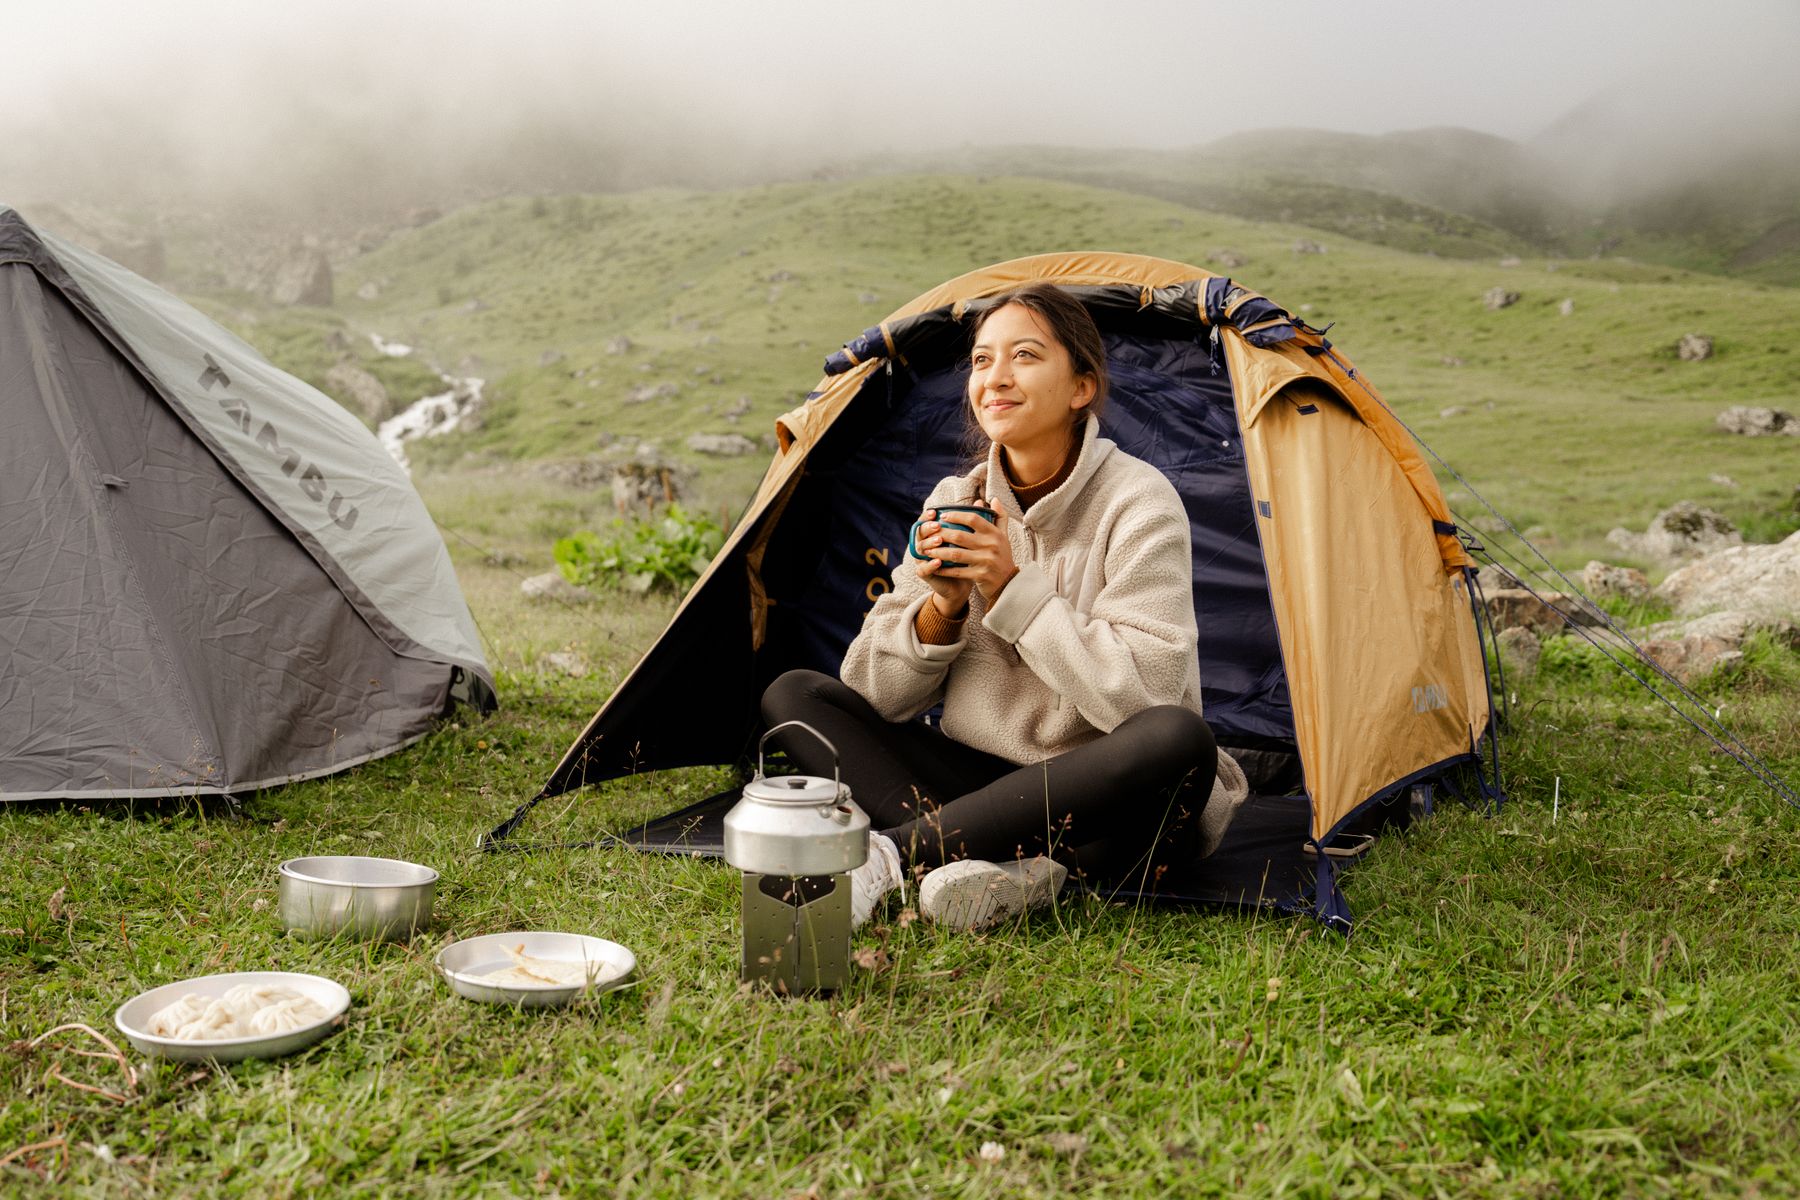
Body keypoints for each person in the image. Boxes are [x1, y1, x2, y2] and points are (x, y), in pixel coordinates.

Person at [761, 282, 1246, 931]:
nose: (996, 378)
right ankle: (1004, 866)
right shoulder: (955, 499)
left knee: (1178, 736)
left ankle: (888, 855)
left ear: (1081, 387)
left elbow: (1144, 703)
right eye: (982, 360)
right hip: (984, 786)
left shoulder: (1140, 503)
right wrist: (944, 607)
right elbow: (875, 697)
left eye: (1024, 356)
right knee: (795, 696)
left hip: (1112, 808)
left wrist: (1012, 588)